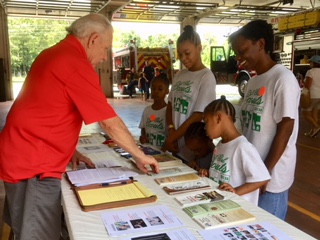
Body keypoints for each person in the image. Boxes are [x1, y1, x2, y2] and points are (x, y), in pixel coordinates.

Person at [0, 13, 159, 239]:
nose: (105, 57)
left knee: (24, 226)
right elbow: (109, 122)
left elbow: (42, 109)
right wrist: (140, 155)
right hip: (35, 164)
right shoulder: (75, 63)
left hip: (22, 152)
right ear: (93, 39)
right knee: (38, 234)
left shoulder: (53, 53)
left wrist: (69, 149)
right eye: (105, 49)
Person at [229, 20, 300, 219]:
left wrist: (265, 173)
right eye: (236, 53)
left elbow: (286, 128)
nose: (239, 58)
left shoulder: (282, 78)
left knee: (268, 230)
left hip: (271, 177)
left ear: (261, 44)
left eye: (242, 51)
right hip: (252, 172)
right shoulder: (252, 82)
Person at [198, 96, 270, 205]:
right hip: (222, 203)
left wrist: (236, 191)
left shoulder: (242, 146)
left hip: (239, 207)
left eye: (206, 122)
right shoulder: (220, 145)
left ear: (218, 118)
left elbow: (262, 178)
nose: (205, 128)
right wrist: (209, 173)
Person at [161, 25, 216, 163]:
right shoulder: (180, 74)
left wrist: (172, 138)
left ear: (199, 48)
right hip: (175, 146)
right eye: (180, 54)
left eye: (187, 53)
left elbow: (198, 115)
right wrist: (171, 130)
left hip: (193, 150)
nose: (183, 58)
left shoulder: (206, 76)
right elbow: (170, 105)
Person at [139, 73, 169, 148]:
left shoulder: (168, 111)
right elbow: (143, 128)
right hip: (149, 149)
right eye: (153, 88)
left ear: (167, 91)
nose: (156, 92)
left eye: (160, 89)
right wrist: (143, 137)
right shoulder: (147, 110)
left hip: (164, 151)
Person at [301, 55, 320, 137]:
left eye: (311, 62)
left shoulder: (311, 72)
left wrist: (302, 80)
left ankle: (317, 127)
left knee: (305, 113)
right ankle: (314, 132)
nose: (310, 63)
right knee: (314, 114)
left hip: (312, 95)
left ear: (314, 63)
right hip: (319, 95)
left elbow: (308, 85)